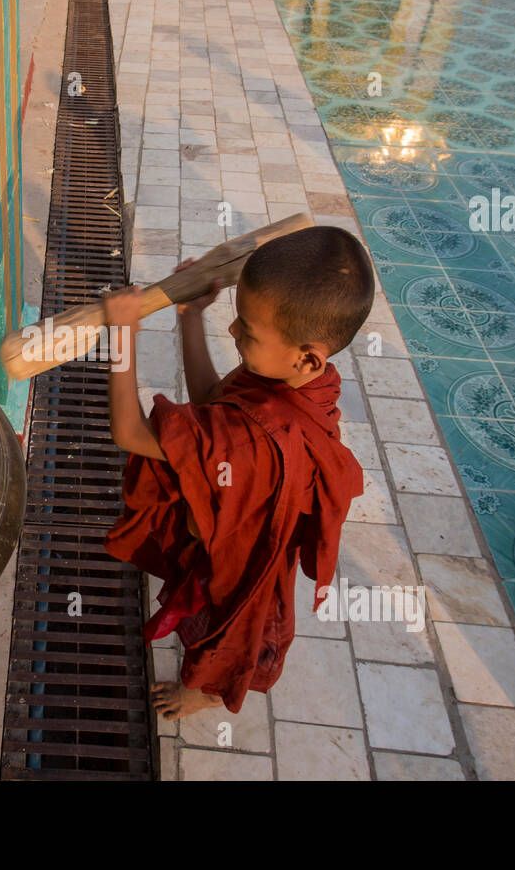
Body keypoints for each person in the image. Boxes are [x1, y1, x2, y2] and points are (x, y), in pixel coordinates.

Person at [102, 226, 372, 720]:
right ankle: (200, 682)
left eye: (246, 331)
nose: (233, 334)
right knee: (205, 622)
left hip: (241, 564)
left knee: (222, 635)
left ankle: (202, 694)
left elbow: (129, 433)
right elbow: (215, 403)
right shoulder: (304, 381)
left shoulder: (261, 434)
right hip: (230, 533)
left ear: (308, 356)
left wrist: (121, 336)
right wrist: (189, 316)